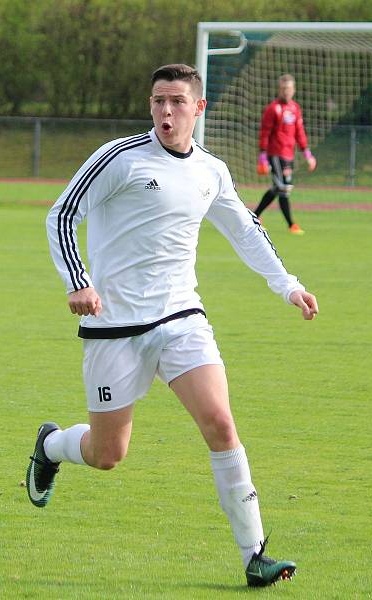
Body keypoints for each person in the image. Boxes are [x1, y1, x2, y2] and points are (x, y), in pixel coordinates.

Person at [26, 64, 318, 587]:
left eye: (178, 101)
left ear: (198, 109)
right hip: (113, 325)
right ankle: (51, 446)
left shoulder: (211, 170)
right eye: (159, 101)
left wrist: (288, 285)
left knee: (221, 425)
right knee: (107, 453)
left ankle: (255, 555)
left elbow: (247, 232)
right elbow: (62, 214)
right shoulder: (120, 158)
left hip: (182, 318)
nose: (166, 111)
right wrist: (79, 280)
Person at [255, 74, 316, 235]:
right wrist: (262, 155)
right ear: (279, 90)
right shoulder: (273, 108)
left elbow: (299, 132)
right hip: (275, 154)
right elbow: (265, 133)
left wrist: (307, 153)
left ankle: (254, 217)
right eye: (283, 89)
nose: (286, 92)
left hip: (289, 155)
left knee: (278, 188)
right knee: (283, 188)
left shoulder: (295, 108)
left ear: (293, 90)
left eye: (288, 88)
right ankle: (291, 224)